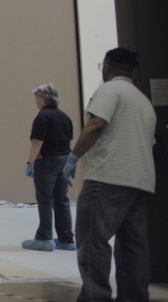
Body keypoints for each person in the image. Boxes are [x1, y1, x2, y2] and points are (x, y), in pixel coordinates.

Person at [66, 48, 156, 302]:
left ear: (106, 66)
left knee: (93, 241)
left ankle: (96, 297)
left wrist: (73, 157)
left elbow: (96, 124)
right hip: (140, 182)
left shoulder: (109, 90)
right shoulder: (142, 100)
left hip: (107, 178)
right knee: (132, 247)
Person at [21, 83, 75, 252]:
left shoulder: (43, 117)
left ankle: (44, 237)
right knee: (62, 200)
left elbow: (37, 141)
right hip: (64, 160)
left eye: (37, 99)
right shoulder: (64, 117)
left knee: (45, 199)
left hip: (47, 161)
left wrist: (30, 163)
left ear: (44, 99)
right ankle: (67, 239)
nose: (35, 102)